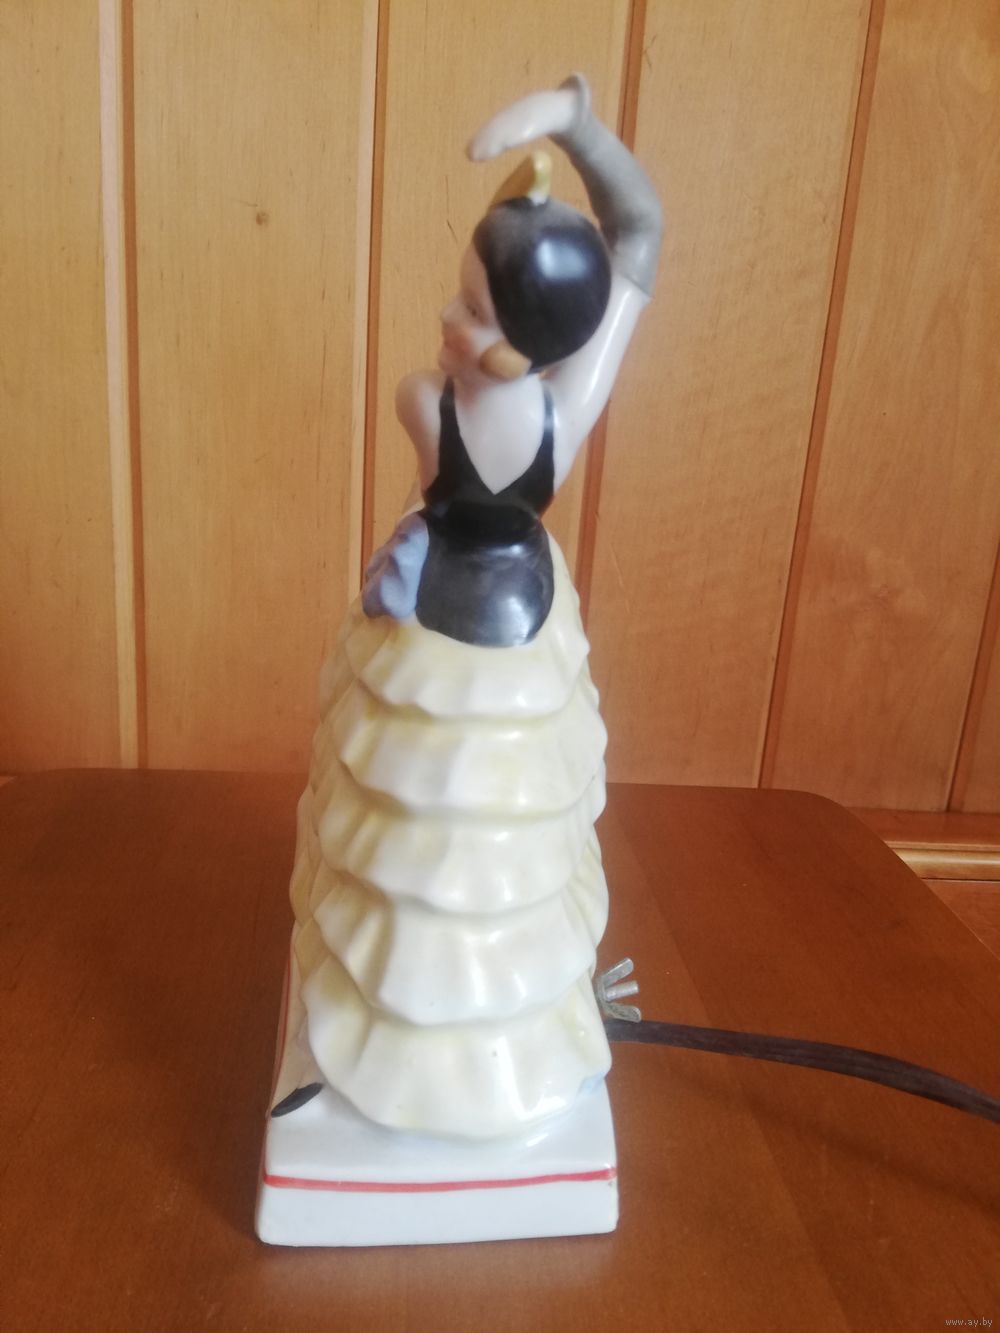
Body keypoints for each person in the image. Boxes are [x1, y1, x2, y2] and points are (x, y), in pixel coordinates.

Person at [282, 75, 662, 1140]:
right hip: (501, 617)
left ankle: (492, 1044)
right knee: (402, 825)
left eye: (475, 311)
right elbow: (640, 230)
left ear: (526, 342)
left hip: (451, 624)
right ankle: (361, 1036)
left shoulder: (426, 406)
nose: (448, 323)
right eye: (458, 299)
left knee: (480, 821)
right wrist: (576, 133)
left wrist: (568, 122)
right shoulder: (563, 417)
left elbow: (636, 237)